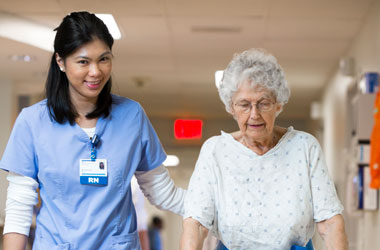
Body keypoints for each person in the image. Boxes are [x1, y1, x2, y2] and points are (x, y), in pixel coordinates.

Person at [1, 11, 185, 250]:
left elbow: (162, 192)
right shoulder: (32, 122)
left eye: (104, 59)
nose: (96, 72)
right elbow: (19, 208)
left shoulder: (132, 116)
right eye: (83, 61)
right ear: (60, 62)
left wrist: (217, 204)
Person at [180, 49, 348, 250]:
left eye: (263, 103)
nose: (254, 114)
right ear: (231, 107)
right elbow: (196, 224)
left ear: (278, 104)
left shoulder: (304, 147)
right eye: (244, 105)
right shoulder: (215, 151)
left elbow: (330, 223)